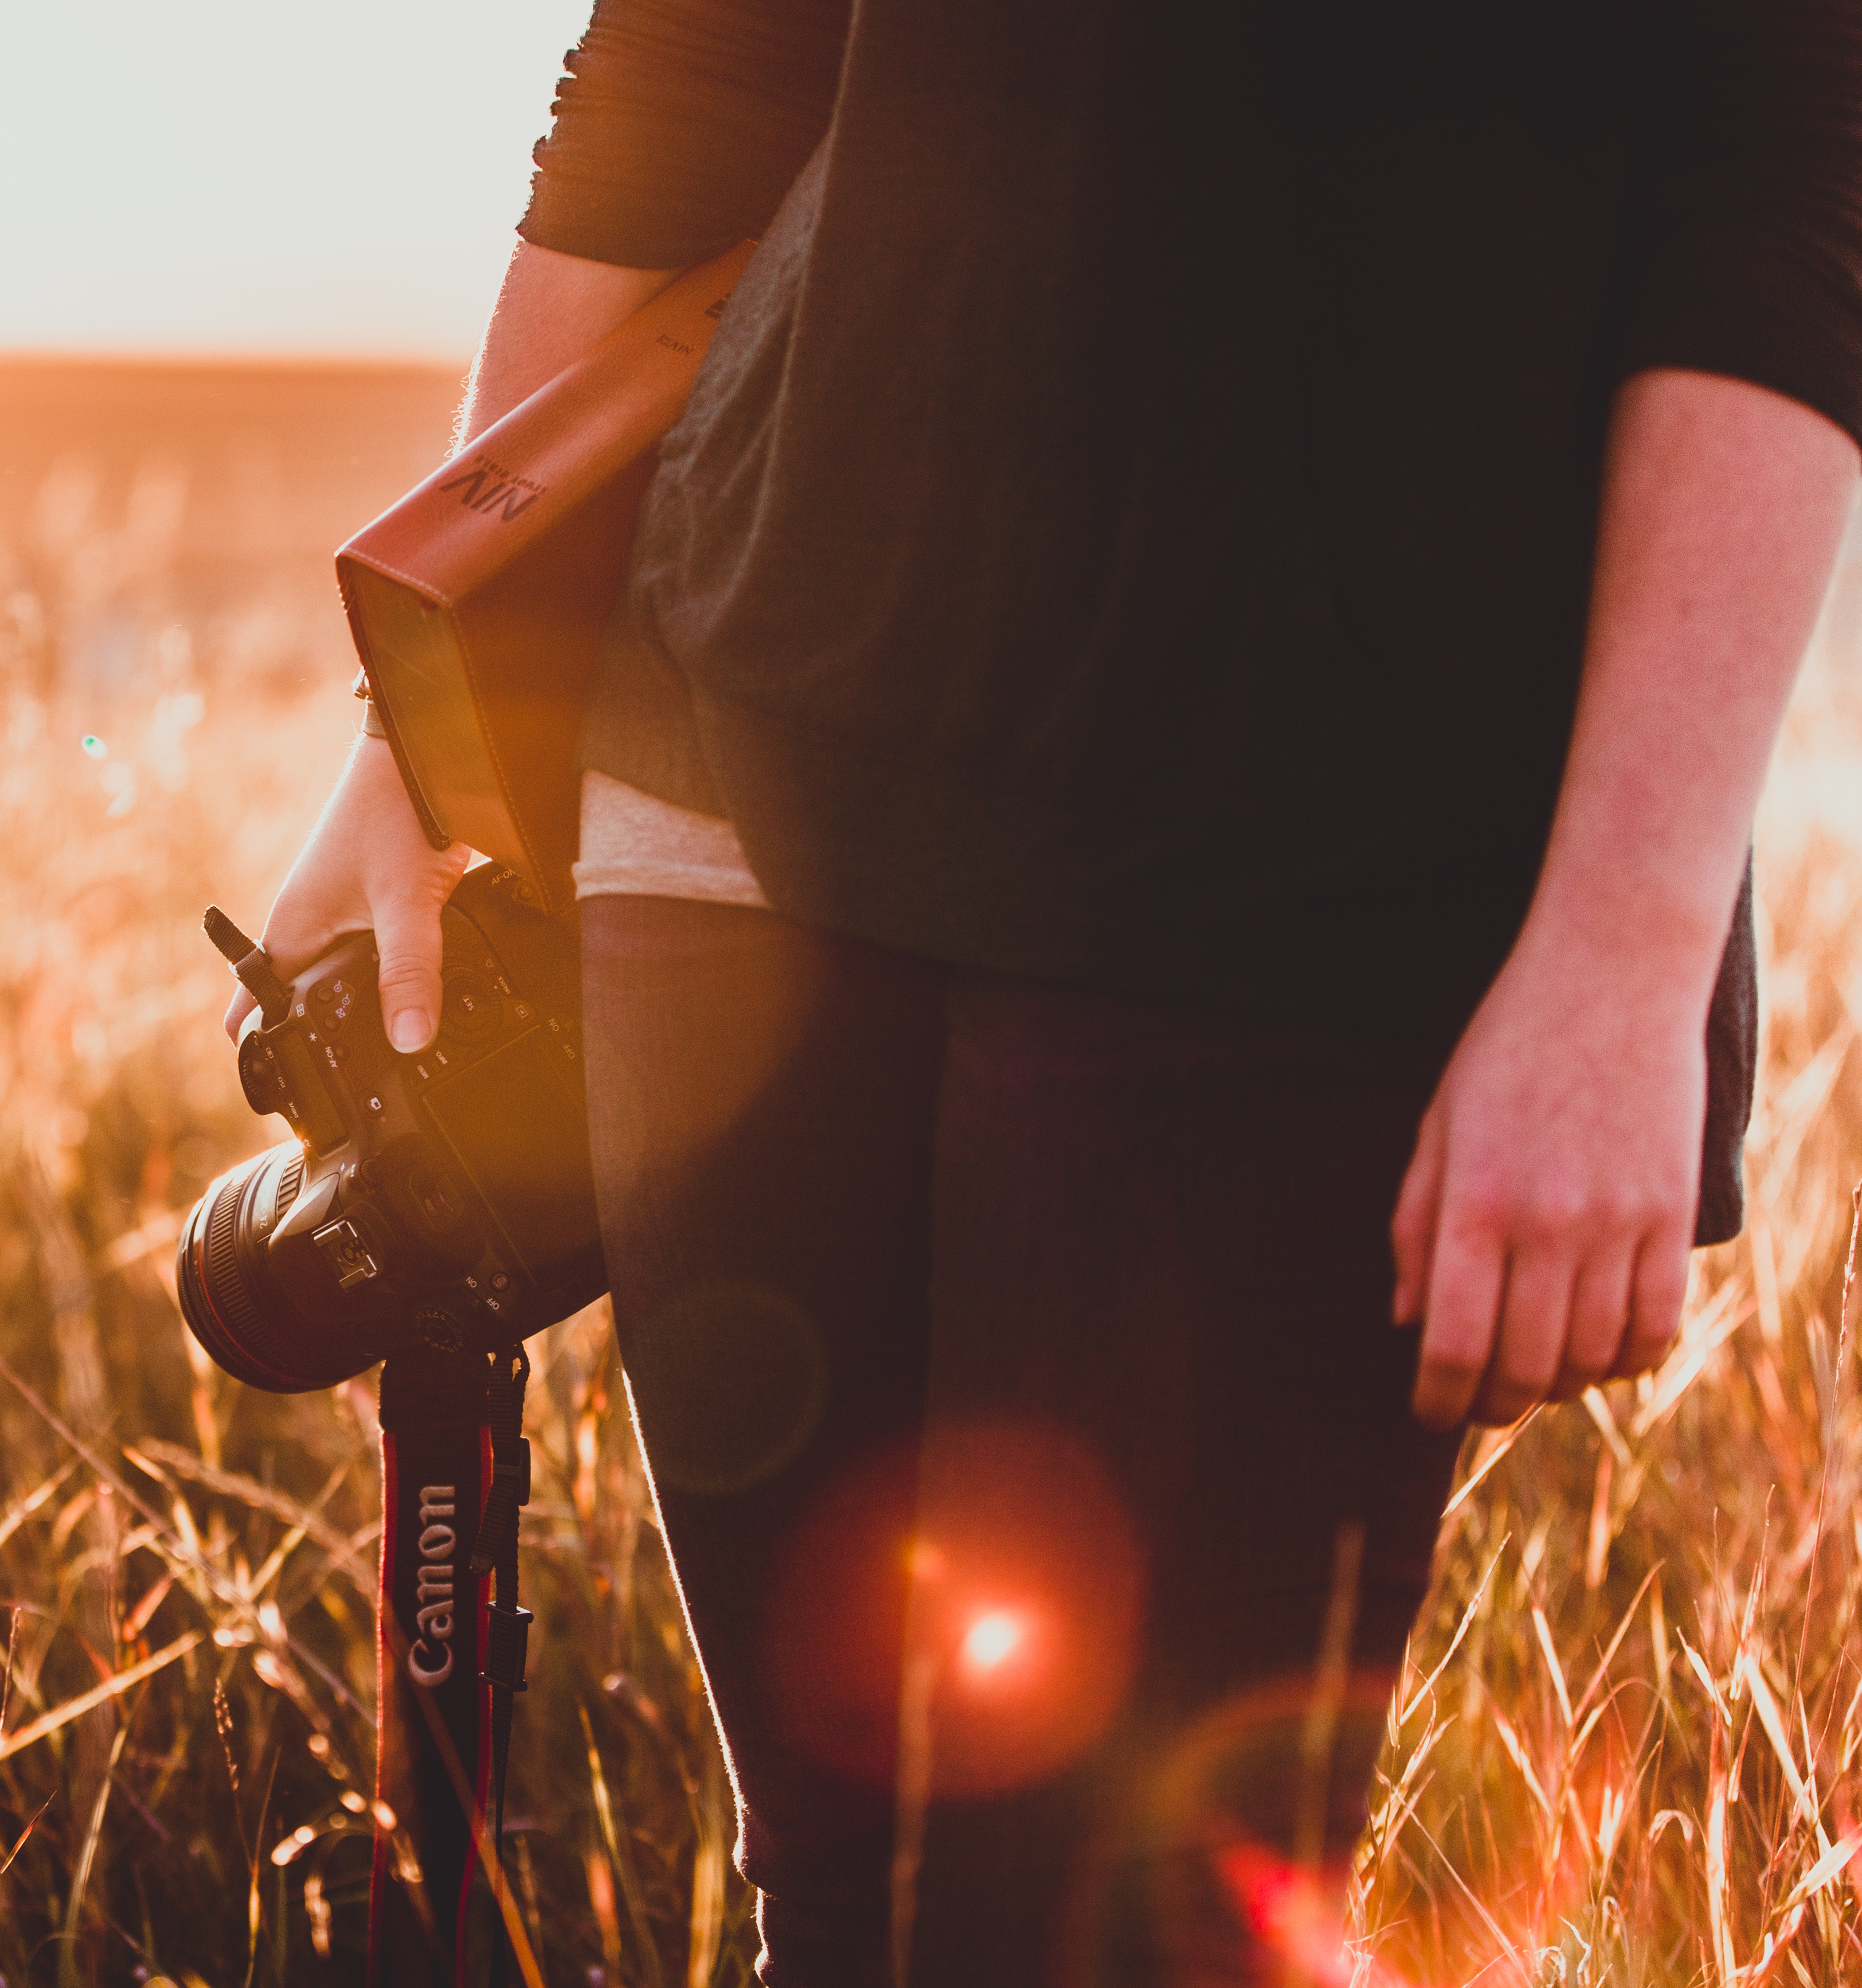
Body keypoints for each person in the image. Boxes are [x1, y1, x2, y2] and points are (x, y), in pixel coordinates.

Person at [234, 3, 1862, 1979]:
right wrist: (414, 729)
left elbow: (1784, 156)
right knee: (840, 1897)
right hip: (732, 780)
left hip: (1306, 857)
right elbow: (696, 57)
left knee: (1130, 1924)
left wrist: (1621, 947)